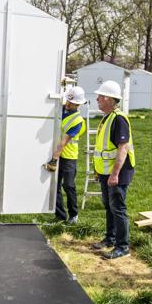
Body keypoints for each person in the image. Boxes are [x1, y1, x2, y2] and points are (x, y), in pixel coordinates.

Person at [91, 80, 135, 260]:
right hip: (106, 172)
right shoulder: (107, 117)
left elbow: (122, 148)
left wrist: (115, 174)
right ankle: (110, 238)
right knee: (109, 206)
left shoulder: (118, 119)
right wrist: (98, 170)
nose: (97, 99)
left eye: (100, 96)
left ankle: (122, 246)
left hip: (118, 173)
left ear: (109, 98)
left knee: (118, 208)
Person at [45, 86, 87, 224]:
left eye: (72, 103)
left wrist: (53, 160)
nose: (68, 104)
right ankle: (60, 215)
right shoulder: (60, 108)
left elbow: (64, 142)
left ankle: (73, 215)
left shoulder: (78, 121)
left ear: (79, 104)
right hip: (56, 153)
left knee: (68, 185)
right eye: (68, 101)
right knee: (54, 186)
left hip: (68, 157)